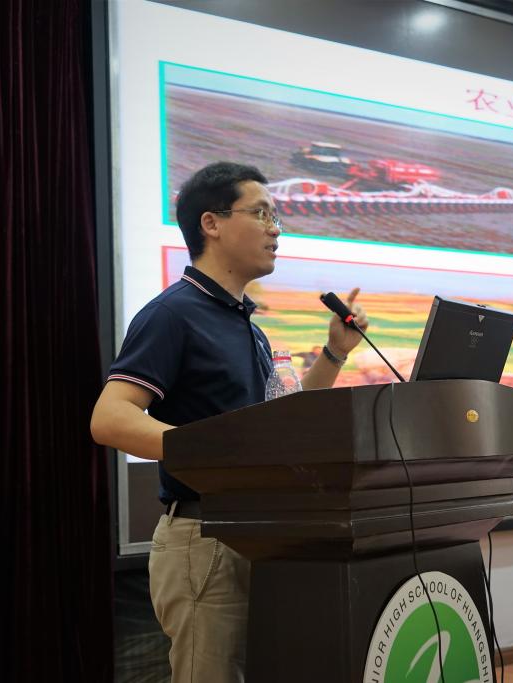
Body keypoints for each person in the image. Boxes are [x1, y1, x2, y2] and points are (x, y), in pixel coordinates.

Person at [90, 161, 368, 682]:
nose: (275, 229)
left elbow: (283, 421)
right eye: (261, 213)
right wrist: (214, 451)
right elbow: (110, 418)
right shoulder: (174, 313)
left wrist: (334, 353)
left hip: (260, 532)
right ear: (211, 223)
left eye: (276, 216)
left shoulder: (246, 326)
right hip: (205, 538)